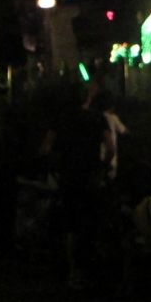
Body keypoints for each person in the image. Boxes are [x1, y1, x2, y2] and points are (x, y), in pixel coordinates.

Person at [39, 83, 115, 290]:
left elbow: (45, 149)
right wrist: (103, 167)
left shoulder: (61, 118)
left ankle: (74, 271)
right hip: (90, 175)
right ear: (87, 98)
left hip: (69, 175)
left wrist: (56, 167)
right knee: (91, 221)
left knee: (71, 224)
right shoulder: (97, 118)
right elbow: (110, 147)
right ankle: (92, 269)